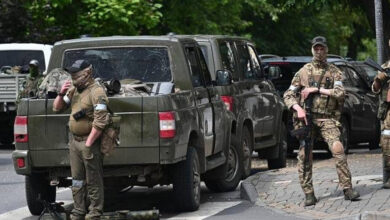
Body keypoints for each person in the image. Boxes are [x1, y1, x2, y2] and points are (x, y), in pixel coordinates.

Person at [283, 36, 360, 206]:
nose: (319, 51)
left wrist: (317, 89)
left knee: (338, 149)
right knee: (304, 155)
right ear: (312, 49)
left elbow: (340, 93)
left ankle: (347, 188)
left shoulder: (334, 71)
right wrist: (298, 108)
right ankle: (309, 193)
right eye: (316, 48)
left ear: (326, 49)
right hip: (308, 120)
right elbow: (288, 94)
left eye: (322, 48)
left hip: (327, 119)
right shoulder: (303, 72)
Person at [53, 60, 109, 220]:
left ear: (87, 73)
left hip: (88, 142)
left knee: (93, 179)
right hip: (75, 142)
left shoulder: (96, 92)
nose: (73, 78)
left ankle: (94, 212)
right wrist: (61, 93)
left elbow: (100, 121)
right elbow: (57, 108)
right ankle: (78, 210)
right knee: (77, 180)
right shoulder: (73, 91)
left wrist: (89, 143)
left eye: (76, 74)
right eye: (72, 74)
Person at [371, 39, 390, 188]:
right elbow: (375, 89)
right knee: (387, 143)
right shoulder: (385, 67)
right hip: (388, 112)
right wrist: (380, 78)